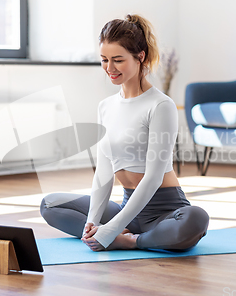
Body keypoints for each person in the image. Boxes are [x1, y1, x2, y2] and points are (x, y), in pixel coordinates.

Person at [40, 14, 209, 251]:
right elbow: (103, 172)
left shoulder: (161, 106)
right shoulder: (106, 106)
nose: (109, 68)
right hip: (126, 208)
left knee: (196, 219)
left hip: (163, 210)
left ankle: (132, 241)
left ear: (140, 56)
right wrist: (92, 221)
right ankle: (121, 234)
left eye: (118, 60)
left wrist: (111, 229)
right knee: (50, 204)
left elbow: (153, 177)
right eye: (104, 60)